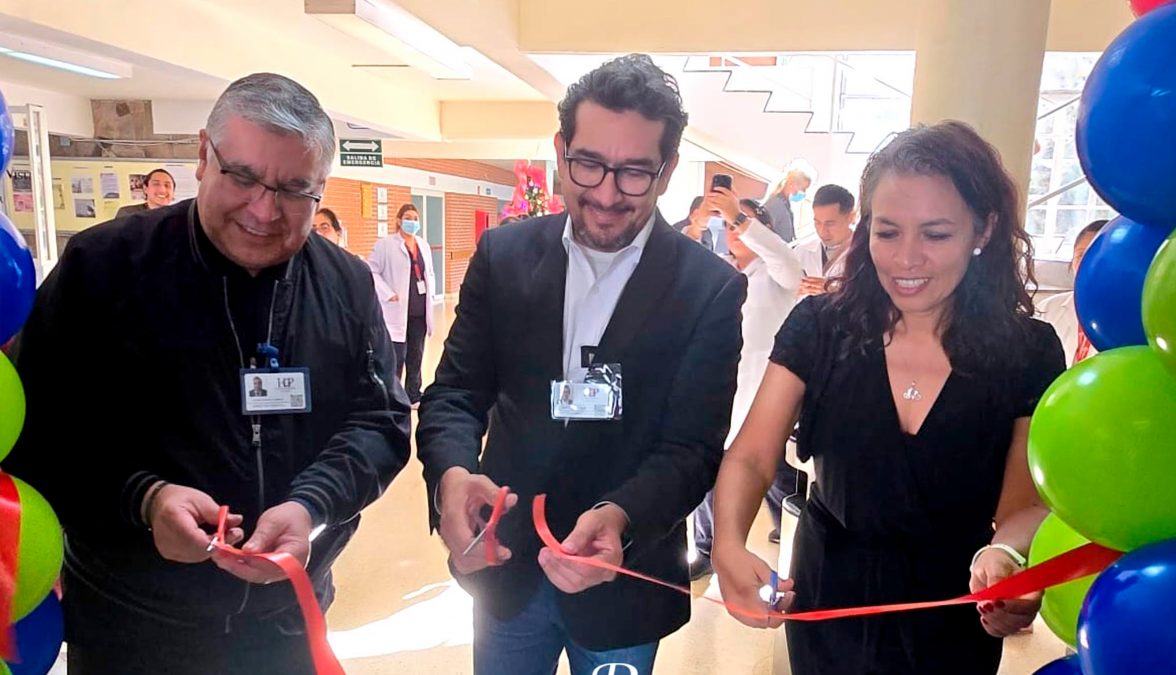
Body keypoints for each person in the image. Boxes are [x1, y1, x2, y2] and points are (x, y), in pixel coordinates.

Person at [2, 73, 411, 675]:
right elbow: (38, 431)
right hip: (134, 624)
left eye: (296, 189)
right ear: (202, 155)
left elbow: (380, 420)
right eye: (243, 177)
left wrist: (312, 504)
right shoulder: (103, 268)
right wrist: (144, 498)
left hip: (287, 621)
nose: (264, 209)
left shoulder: (345, 284)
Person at [416, 54, 746, 675]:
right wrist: (452, 474)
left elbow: (692, 446)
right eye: (588, 164)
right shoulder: (505, 255)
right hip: (505, 563)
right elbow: (455, 392)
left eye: (634, 174)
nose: (605, 194)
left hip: (622, 571)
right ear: (561, 149)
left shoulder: (709, 287)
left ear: (669, 170)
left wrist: (621, 517)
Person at [710, 121, 1066, 674]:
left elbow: (1020, 506)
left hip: (952, 609)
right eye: (888, 231)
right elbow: (754, 453)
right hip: (830, 596)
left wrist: (1007, 560)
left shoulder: (1028, 350)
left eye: (936, 234)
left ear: (984, 230)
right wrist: (728, 544)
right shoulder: (821, 327)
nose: (906, 259)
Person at [689, 191, 805, 579]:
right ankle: (705, 548)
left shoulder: (778, 275)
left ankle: (793, 533)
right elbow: (673, 267)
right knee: (711, 469)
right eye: (727, 224)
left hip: (763, 395)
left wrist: (740, 216)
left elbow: (787, 263)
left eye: (738, 223)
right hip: (718, 391)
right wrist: (697, 224)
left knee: (773, 472)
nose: (733, 230)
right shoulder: (718, 271)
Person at [368, 203, 437, 407]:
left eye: (416, 219)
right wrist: (387, 293)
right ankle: (393, 394)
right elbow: (371, 270)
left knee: (416, 355)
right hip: (396, 310)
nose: (412, 222)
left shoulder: (423, 245)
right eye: (408, 217)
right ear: (398, 220)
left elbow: (428, 275)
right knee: (396, 356)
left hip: (419, 310)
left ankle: (413, 394)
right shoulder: (386, 245)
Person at [1036, 219, 1107, 367]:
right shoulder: (1047, 309)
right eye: (1081, 255)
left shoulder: (1128, 319)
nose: (1087, 263)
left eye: (1096, 254)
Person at [794, 183, 857, 296]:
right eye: (817, 223)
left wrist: (833, 290)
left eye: (830, 224)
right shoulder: (802, 251)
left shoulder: (868, 254)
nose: (822, 231)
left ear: (851, 217)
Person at [762, 158, 817, 244]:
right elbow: (762, 231)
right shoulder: (776, 204)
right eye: (803, 189)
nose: (804, 193)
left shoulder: (786, 206)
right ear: (791, 183)